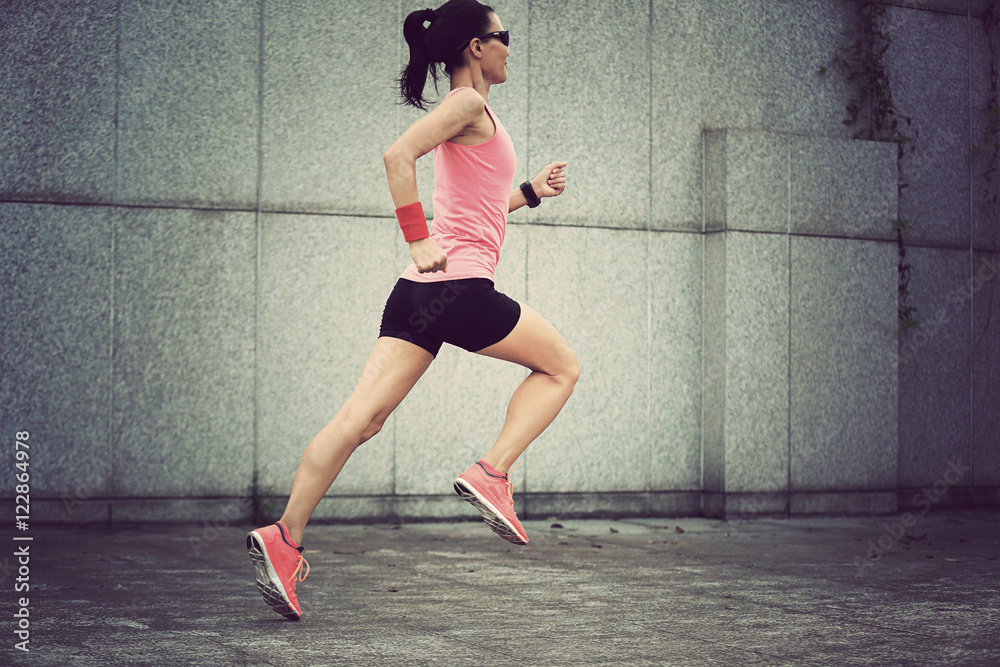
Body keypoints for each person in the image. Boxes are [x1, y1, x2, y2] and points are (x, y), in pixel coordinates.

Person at [246, 0, 579, 621]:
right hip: (458, 288)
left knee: (361, 419)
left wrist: (530, 192)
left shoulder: (473, 113)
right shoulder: (467, 103)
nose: (511, 46)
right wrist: (419, 238)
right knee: (562, 368)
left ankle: (285, 539)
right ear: (476, 48)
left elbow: (477, 210)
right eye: (504, 36)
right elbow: (397, 158)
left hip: (419, 295)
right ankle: (492, 473)